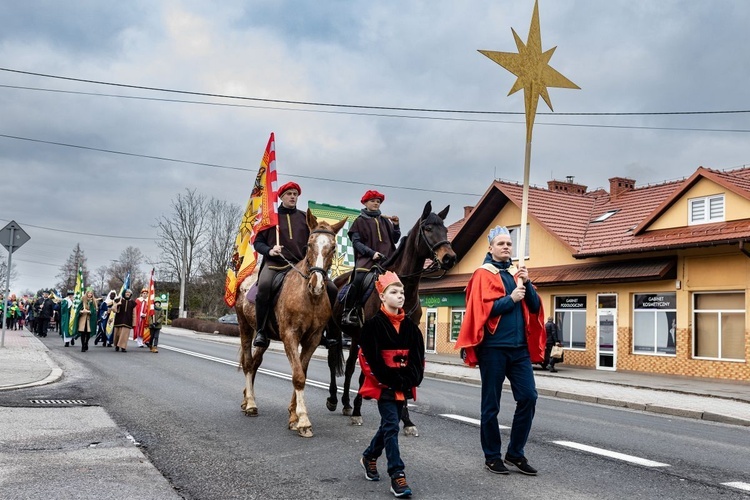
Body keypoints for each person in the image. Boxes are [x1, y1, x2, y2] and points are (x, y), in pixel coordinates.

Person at [455, 225, 545, 476]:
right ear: (491, 247)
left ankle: (515, 453)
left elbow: (536, 306)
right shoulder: (482, 274)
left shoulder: (518, 273)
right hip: (493, 349)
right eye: (501, 243)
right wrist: (510, 299)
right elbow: (480, 310)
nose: (506, 247)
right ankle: (492, 456)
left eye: (509, 243)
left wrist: (526, 284)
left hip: (519, 350)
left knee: (529, 397)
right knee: (490, 405)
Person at [358, 271, 424, 498]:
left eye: (402, 292)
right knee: (391, 425)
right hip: (383, 384)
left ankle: (369, 456)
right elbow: (369, 359)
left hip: (403, 384)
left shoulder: (412, 328)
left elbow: (418, 358)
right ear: (382, 297)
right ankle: (397, 474)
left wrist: (410, 378)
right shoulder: (372, 326)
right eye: (393, 292)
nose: (400, 296)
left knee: (389, 424)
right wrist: (389, 379)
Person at [252, 181, 337, 349]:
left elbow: (315, 240)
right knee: (264, 286)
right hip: (275, 264)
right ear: (281, 196)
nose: (293, 197)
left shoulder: (305, 218)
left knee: (332, 289)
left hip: (300, 266)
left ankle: (325, 331)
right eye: (289, 194)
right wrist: (270, 250)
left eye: (295, 194)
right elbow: (257, 242)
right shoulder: (271, 217)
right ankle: (261, 330)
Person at [341, 189, 401, 326]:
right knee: (357, 279)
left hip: (388, 259)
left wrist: (396, 226)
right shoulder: (359, 221)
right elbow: (356, 242)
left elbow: (395, 239)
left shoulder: (386, 221)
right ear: (365, 203)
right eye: (373, 201)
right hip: (367, 259)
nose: (376, 203)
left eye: (378, 201)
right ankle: (349, 312)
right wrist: (371, 253)